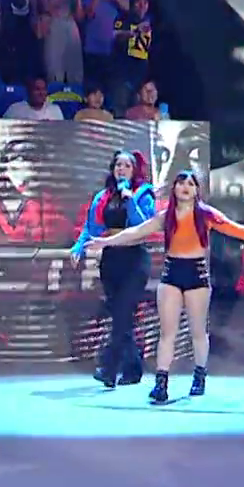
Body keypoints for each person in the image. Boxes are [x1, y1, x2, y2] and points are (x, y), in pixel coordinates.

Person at [86, 170, 244, 404]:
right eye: (181, 183)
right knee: (167, 333)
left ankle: (199, 375)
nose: (185, 187)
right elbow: (136, 232)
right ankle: (161, 383)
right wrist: (105, 242)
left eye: (190, 184)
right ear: (174, 189)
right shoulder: (166, 216)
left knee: (198, 332)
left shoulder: (206, 215)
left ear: (197, 190)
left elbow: (234, 228)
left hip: (196, 274)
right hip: (171, 273)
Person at [71, 150, 157, 389]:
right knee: (121, 316)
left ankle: (108, 368)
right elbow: (90, 227)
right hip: (110, 259)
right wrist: (78, 248)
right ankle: (133, 369)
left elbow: (144, 224)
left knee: (122, 311)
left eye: (126, 165)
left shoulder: (143, 194)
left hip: (135, 259)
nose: (121, 169)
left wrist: (129, 200)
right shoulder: (103, 196)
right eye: (118, 165)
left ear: (134, 170)